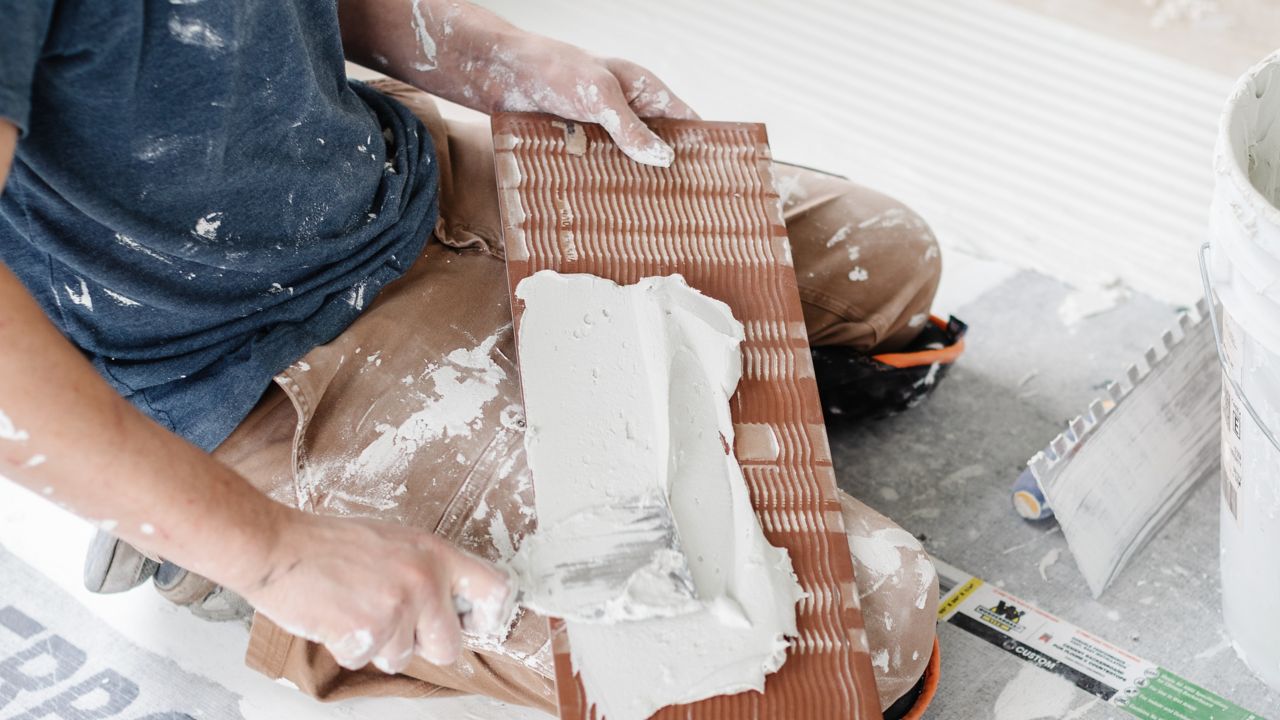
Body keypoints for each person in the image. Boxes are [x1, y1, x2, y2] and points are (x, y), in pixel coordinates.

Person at [0, 0, 950, 714]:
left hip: (391, 170)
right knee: (872, 622)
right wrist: (278, 558)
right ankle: (196, 526)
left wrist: (494, 58)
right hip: (231, 359)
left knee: (889, 259)